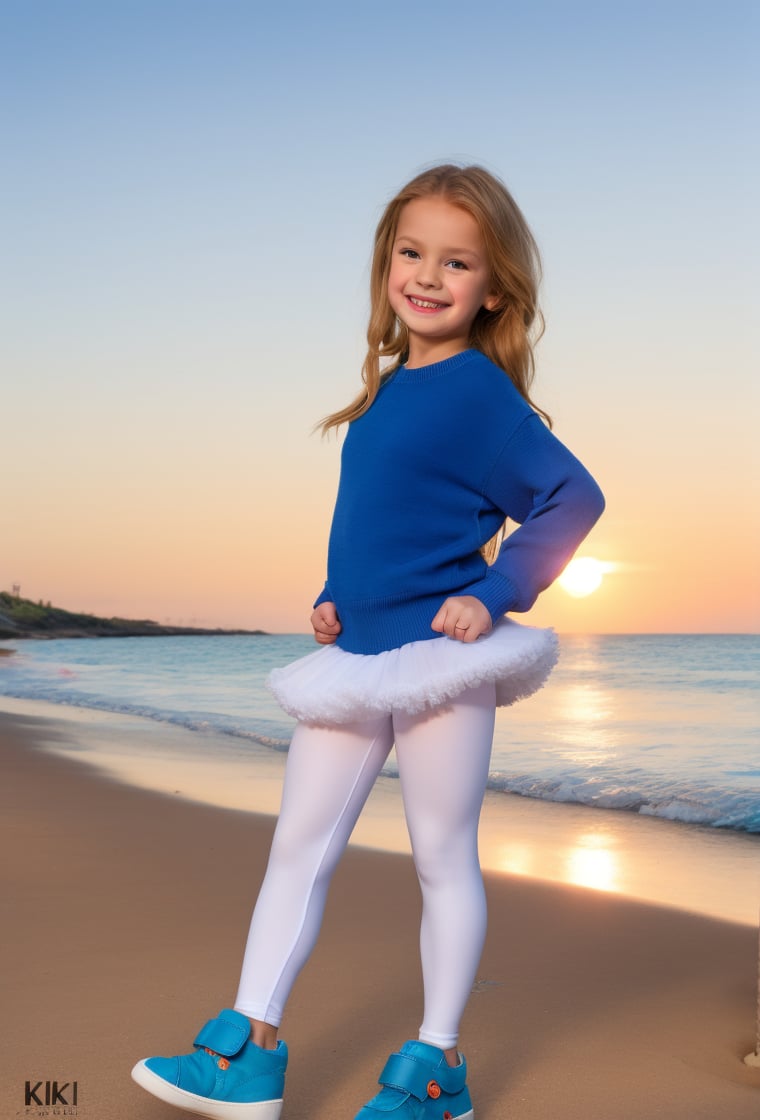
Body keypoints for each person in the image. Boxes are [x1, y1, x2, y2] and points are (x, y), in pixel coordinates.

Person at [131, 163, 605, 1120]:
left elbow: (574, 497)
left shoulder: (480, 395)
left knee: (441, 855)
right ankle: (249, 1050)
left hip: (441, 662)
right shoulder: (387, 390)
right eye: (411, 253)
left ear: (493, 287)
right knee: (297, 847)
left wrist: (500, 588)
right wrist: (330, 596)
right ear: (388, 262)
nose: (428, 276)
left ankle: (437, 1068)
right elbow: (380, 519)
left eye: (457, 262)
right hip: (356, 660)